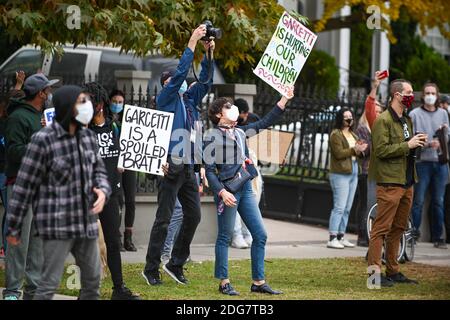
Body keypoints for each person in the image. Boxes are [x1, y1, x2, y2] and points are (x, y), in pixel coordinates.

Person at [6, 85, 111, 300]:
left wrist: (102, 191)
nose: (88, 107)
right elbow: (24, 185)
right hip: (57, 224)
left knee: (92, 284)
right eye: (81, 102)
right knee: (48, 285)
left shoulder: (89, 138)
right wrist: (14, 226)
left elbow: (99, 172)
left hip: (86, 224)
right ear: (67, 108)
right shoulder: (43, 140)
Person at [142, 24, 214, 286]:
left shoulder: (188, 102)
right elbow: (183, 70)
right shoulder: (166, 98)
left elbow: (205, 82)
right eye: (176, 80)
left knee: (193, 215)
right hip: (170, 166)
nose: (182, 83)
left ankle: (175, 263)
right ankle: (151, 268)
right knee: (164, 218)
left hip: (188, 167)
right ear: (168, 84)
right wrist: (192, 41)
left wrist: (208, 55)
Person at [203, 88, 293, 296]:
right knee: (225, 236)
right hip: (229, 193)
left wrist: (284, 100)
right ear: (219, 114)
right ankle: (224, 282)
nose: (233, 109)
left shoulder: (241, 132)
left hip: (246, 189)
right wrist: (221, 193)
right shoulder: (211, 138)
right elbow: (209, 172)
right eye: (228, 107)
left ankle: (258, 282)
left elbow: (263, 124)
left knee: (260, 235)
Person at [3, 73, 58, 300]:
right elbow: (14, 151)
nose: (50, 94)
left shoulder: (41, 117)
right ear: (40, 93)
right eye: (48, 90)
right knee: (19, 242)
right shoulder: (18, 118)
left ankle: (33, 288)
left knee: (37, 242)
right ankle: (13, 290)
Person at [367, 79, 426, 287]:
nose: (412, 95)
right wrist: (407, 145)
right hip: (390, 182)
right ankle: (373, 277)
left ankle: (392, 271)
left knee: (399, 228)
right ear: (397, 95)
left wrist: (416, 142)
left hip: (407, 181)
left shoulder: (406, 120)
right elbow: (381, 151)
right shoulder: (383, 120)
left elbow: (405, 147)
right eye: (409, 92)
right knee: (381, 229)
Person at [85, 82, 140, 300]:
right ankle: (87, 290)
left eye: (89, 101)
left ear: (99, 105)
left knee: (113, 241)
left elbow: (134, 155)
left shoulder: (115, 128)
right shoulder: (81, 129)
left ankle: (119, 288)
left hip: (110, 195)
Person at [409, 83, 449, 249]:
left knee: (438, 201)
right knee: (418, 200)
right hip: (422, 162)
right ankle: (414, 234)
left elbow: (447, 136)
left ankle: (438, 237)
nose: (430, 95)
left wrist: (441, 138)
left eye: (433, 93)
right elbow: (411, 138)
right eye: (427, 93)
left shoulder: (443, 113)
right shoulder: (414, 114)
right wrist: (426, 144)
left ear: (437, 95)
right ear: (422, 95)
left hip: (440, 163)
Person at [327, 108, 368, 249]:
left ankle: (341, 236)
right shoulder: (335, 134)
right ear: (340, 119)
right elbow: (338, 153)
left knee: (347, 208)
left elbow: (356, 153)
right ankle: (332, 237)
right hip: (340, 173)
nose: (349, 119)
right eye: (346, 117)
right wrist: (355, 150)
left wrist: (361, 150)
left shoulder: (353, 134)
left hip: (353, 171)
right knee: (339, 206)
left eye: (350, 116)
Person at [355, 71, 386, 247]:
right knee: (366, 205)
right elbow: (364, 150)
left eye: (380, 111)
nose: (378, 113)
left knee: (376, 206)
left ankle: (373, 236)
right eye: (376, 110)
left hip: (380, 171)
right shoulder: (363, 128)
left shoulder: (381, 128)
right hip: (367, 170)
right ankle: (364, 236)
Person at [109, 89, 137, 251]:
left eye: (120, 102)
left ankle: (128, 237)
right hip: (114, 166)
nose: (117, 105)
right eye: (115, 101)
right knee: (117, 201)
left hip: (130, 163)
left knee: (131, 201)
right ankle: (116, 237)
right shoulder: (105, 120)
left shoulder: (129, 120)